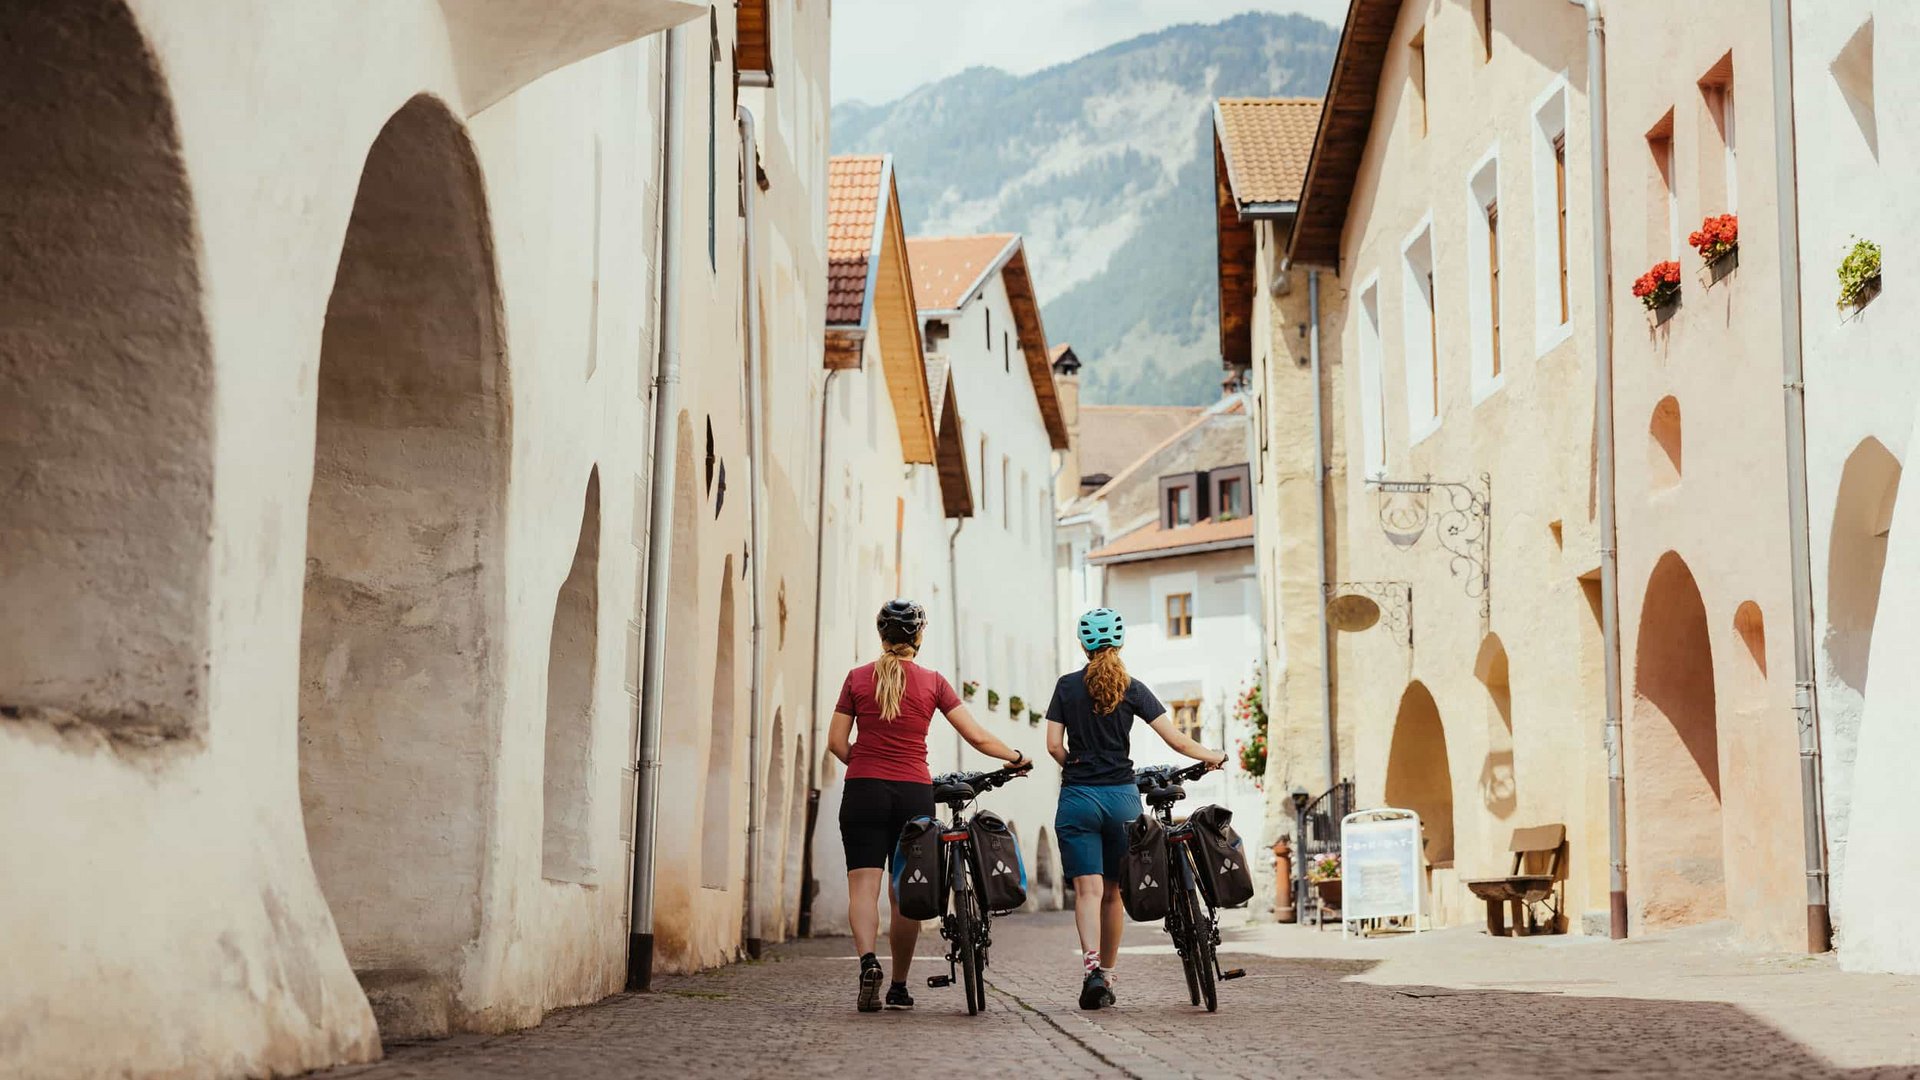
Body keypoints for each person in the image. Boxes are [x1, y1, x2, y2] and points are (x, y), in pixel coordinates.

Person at [827, 598, 1031, 1013]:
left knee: (863, 889)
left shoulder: (856, 679)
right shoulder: (933, 681)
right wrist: (1015, 757)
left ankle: (868, 962)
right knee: (905, 894)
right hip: (912, 794)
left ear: (881, 636)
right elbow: (975, 737)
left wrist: (867, 766)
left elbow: (835, 743)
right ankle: (899, 986)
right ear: (919, 637)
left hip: (863, 790)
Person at [1045, 607, 1227, 1011]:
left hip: (1078, 798)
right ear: (1120, 642)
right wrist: (1211, 755)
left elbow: (1054, 746)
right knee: (1112, 892)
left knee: (1086, 891)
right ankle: (1107, 976)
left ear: (1082, 644)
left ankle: (1090, 969)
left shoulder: (1066, 686)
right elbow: (1176, 740)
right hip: (1122, 800)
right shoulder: (1132, 687)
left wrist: (1076, 768)